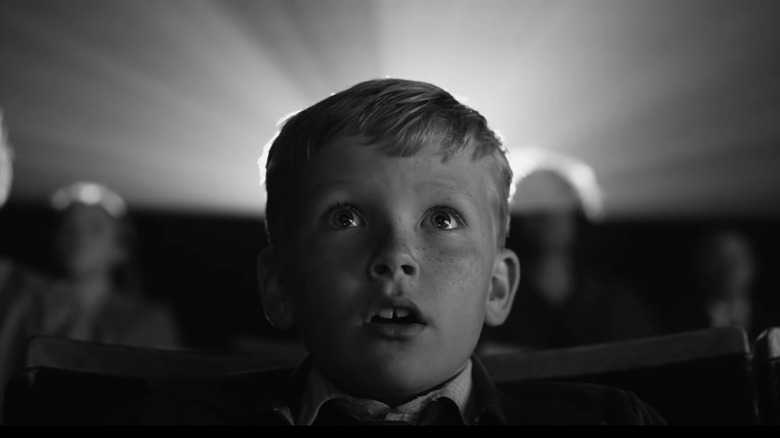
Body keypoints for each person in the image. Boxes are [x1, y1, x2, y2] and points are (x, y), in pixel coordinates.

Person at [98, 78, 665, 425]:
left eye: (442, 219)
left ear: (497, 286)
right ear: (277, 285)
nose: (396, 257)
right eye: (345, 217)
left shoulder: (613, 422)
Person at [0, 179, 183, 422]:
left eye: (94, 228)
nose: (79, 237)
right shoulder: (24, 304)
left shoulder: (149, 321)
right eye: (69, 227)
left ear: (120, 247)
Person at [479, 166, 662, 352]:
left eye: (558, 200)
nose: (547, 214)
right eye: (534, 201)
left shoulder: (618, 305)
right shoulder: (490, 307)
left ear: (576, 215)